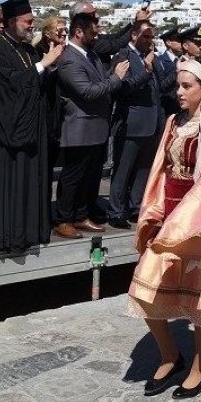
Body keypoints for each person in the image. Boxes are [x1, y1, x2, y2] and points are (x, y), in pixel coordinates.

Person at [127, 58, 201, 399]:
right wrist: (155, 212)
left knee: (200, 297)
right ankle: (169, 355)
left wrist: (189, 220)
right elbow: (161, 171)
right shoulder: (174, 122)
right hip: (168, 216)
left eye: (186, 86)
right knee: (144, 288)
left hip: (199, 220)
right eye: (178, 85)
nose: (179, 92)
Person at [0, 0, 65, 252]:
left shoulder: (28, 49)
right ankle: (12, 237)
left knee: (34, 183)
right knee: (14, 187)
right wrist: (43, 65)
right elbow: (9, 84)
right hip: (11, 133)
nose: (31, 25)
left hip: (34, 129)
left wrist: (50, 66)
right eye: (27, 21)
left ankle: (32, 232)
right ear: (11, 22)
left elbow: (37, 82)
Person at [54, 13, 130, 237]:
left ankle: (80, 216)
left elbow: (100, 81)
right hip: (79, 128)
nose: (96, 36)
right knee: (72, 177)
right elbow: (87, 91)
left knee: (88, 176)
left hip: (96, 127)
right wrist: (116, 78)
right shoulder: (69, 59)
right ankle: (63, 219)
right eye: (93, 32)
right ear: (78, 32)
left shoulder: (91, 55)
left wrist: (112, 75)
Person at [107, 21, 167, 229]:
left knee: (143, 170)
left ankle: (135, 206)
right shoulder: (124, 56)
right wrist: (146, 72)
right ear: (134, 36)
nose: (150, 41)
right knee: (123, 170)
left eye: (152, 37)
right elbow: (122, 88)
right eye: (146, 36)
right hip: (131, 123)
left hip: (151, 124)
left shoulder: (150, 58)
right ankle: (116, 211)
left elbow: (159, 88)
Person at [35, 16, 68, 185]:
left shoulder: (66, 51)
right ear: (48, 34)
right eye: (59, 31)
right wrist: (50, 65)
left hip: (59, 115)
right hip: (45, 114)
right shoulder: (38, 52)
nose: (63, 35)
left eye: (65, 31)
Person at [70, 0, 151, 64]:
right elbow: (117, 45)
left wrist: (134, 22)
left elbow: (116, 36)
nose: (96, 16)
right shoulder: (89, 41)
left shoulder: (94, 38)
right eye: (92, 14)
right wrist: (139, 22)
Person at [157, 28, 182, 116]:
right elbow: (161, 86)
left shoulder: (181, 60)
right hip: (167, 108)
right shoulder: (160, 61)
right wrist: (176, 72)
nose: (181, 44)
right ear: (168, 42)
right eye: (178, 41)